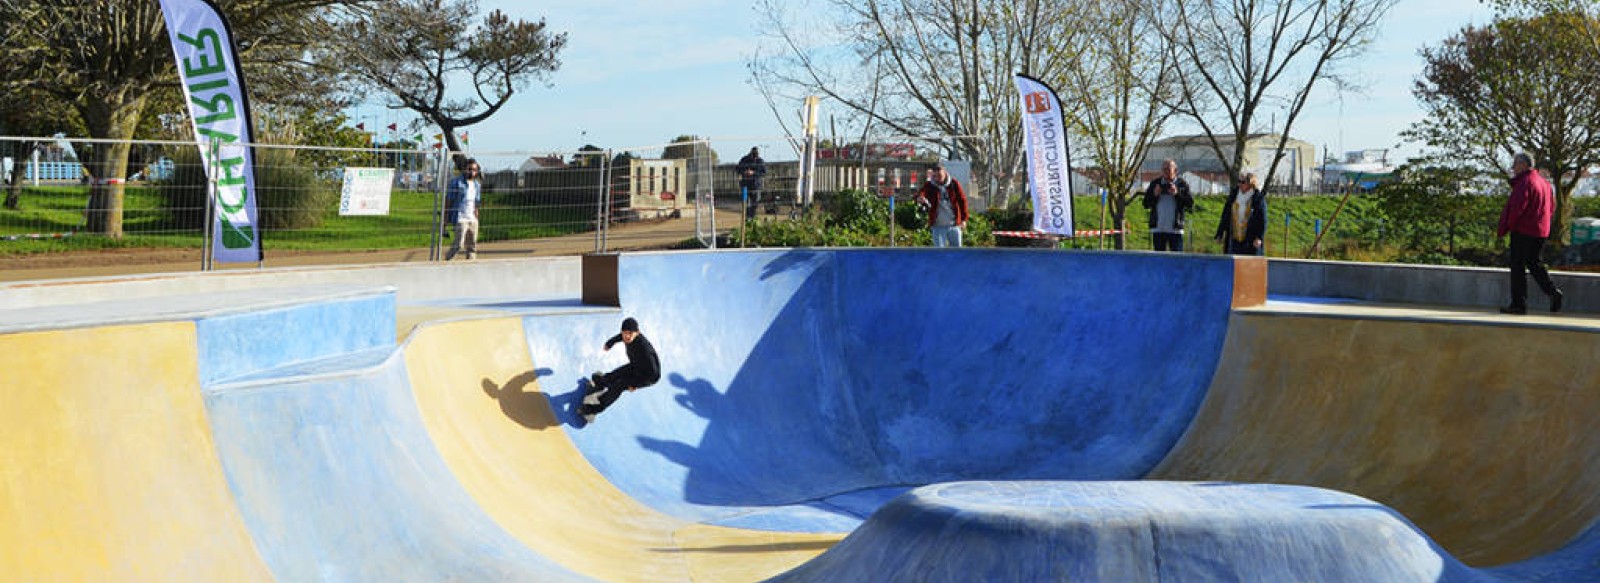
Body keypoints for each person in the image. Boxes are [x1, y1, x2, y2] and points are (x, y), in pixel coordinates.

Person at [1496, 152, 1563, 315]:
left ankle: (1519, 304)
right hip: (1541, 230)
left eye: (1516, 164)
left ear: (1524, 165)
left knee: (1517, 266)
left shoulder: (1525, 183)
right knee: (1534, 263)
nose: (1513, 168)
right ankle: (1552, 292)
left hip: (1523, 230)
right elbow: (1551, 208)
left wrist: (1506, 228)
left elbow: (1517, 208)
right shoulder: (1545, 184)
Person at [581, 317, 661, 424]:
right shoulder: (626, 336)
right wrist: (610, 343)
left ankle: (596, 407)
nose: (627, 336)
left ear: (637, 333)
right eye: (624, 333)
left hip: (645, 376)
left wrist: (637, 385)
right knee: (616, 373)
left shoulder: (644, 349)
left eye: (630, 333)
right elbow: (620, 337)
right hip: (636, 365)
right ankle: (602, 382)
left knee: (619, 385)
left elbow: (654, 376)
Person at [1143, 159, 1195, 252]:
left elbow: (1190, 204)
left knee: (1177, 260)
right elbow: (1145, 204)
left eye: (1168, 169)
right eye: (1164, 169)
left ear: (1175, 170)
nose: (1166, 172)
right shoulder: (1155, 183)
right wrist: (1155, 195)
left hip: (1175, 229)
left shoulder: (1182, 184)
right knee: (1159, 259)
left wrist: (1177, 194)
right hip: (1158, 229)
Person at [917, 162, 969, 248]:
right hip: (938, 226)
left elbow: (962, 201)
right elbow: (920, 193)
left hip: (954, 225)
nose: (937, 178)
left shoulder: (954, 184)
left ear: (945, 172)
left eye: (939, 175)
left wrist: (964, 219)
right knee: (939, 253)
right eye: (935, 176)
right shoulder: (929, 185)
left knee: (957, 252)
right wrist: (920, 198)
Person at [1215, 172, 1266, 255]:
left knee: (1249, 265)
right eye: (1239, 181)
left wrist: (1259, 237)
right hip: (1234, 239)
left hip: (1250, 240)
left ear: (1250, 184)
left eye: (1243, 182)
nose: (1240, 184)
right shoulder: (1234, 195)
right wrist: (1220, 233)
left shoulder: (1257, 198)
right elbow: (1225, 215)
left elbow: (1262, 219)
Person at [444, 158, 482, 261]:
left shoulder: (476, 185)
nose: (472, 172)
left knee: (472, 246)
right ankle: (448, 261)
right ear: (464, 169)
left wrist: (476, 216)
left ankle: (471, 265)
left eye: (474, 170)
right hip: (460, 218)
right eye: (469, 169)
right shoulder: (456, 182)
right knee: (458, 245)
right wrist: (445, 218)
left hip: (472, 218)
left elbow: (476, 202)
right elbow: (449, 201)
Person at [737, 147, 767, 219]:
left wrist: (753, 173)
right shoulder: (744, 160)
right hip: (745, 185)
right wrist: (744, 172)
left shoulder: (760, 161)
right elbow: (737, 169)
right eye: (754, 153)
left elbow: (763, 172)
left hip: (756, 186)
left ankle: (752, 217)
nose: (755, 155)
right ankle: (747, 218)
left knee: (755, 203)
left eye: (756, 154)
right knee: (746, 203)